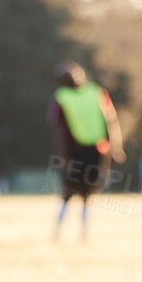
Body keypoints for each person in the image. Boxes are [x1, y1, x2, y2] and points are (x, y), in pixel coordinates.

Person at [46, 61, 125, 239]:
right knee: (68, 192)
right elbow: (58, 131)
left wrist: (115, 146)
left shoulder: (96, 92)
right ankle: (57, 232)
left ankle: (84, 233)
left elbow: (111, 120)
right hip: (74, 152)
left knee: (88, 194)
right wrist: (65, 159)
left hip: (96, 150)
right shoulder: (61, 97)